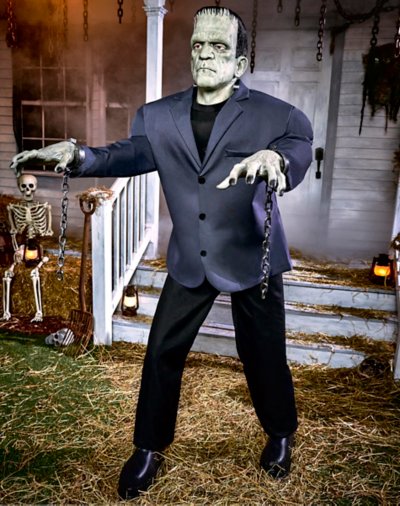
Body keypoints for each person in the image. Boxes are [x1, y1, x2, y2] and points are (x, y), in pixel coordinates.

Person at [10, 6, 313, 500]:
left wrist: (275, 158)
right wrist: (80, 155)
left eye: (219, 47)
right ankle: (148, 448)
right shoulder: (158, 116)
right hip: (191, 255)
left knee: (263, 354)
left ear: (239, 64)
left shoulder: (276, 116)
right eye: (199, 46)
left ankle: (280, 433)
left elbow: (298, 148)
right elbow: (128, 153)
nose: (205, 55)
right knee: (161, 352)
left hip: (250, 254)